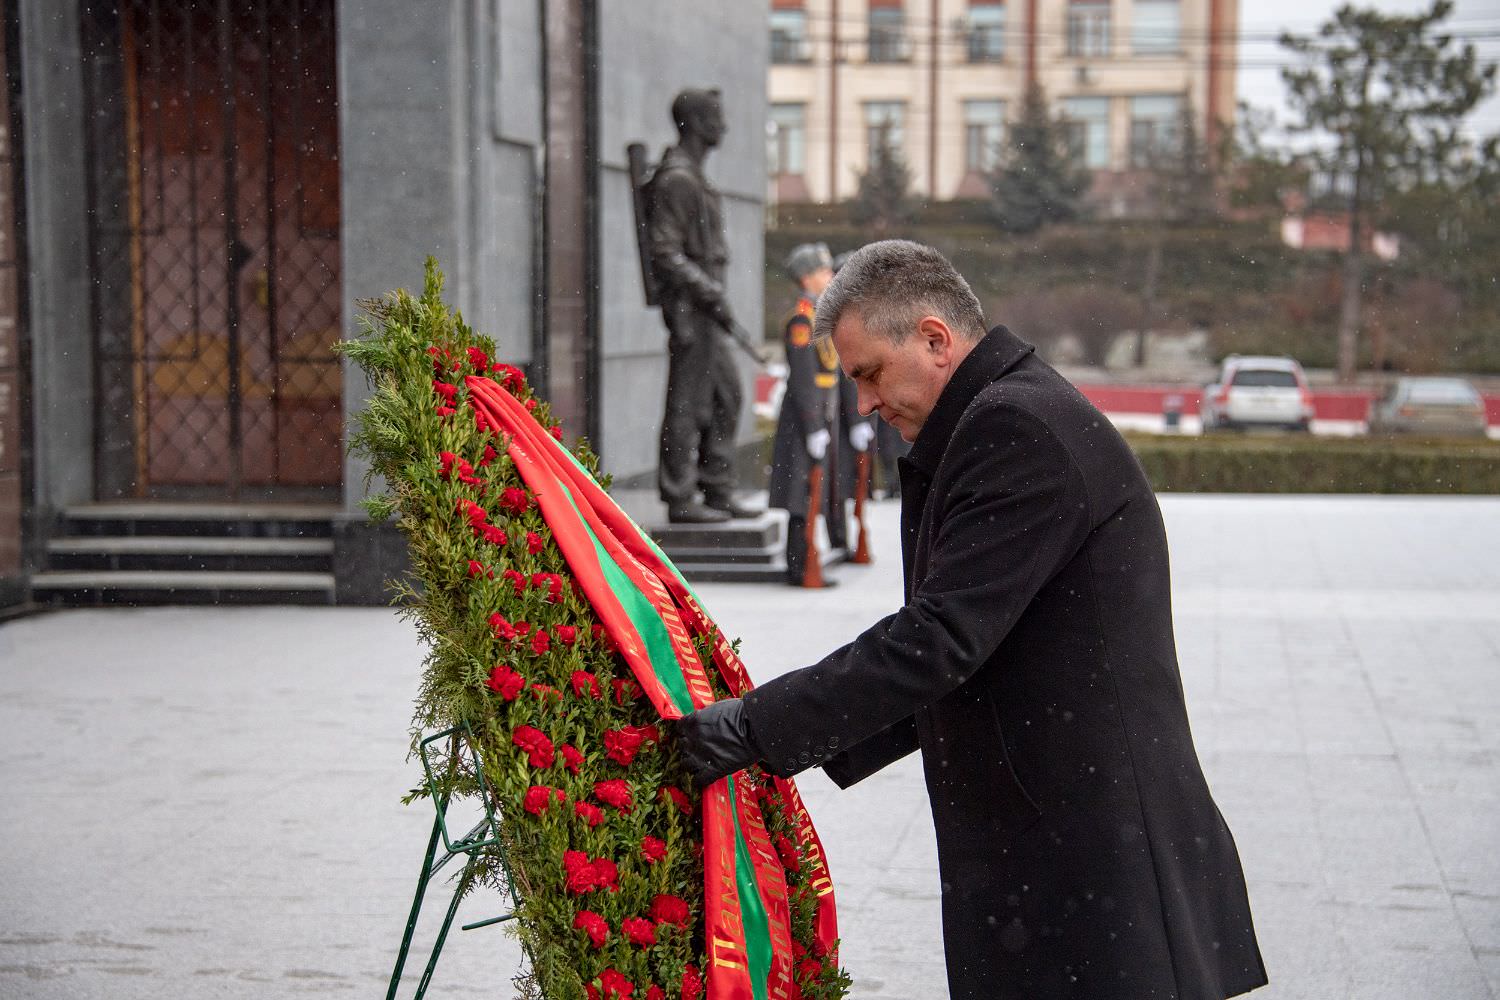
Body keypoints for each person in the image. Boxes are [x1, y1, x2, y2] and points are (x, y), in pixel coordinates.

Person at [675, 241, 1267, 999]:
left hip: (1097, 864)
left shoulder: (1017, 429)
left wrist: (752, 728)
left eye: (868, 375)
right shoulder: (994, 418)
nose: (862, 404)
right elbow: (964, 648)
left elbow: (938, 641)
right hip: (1063, 853)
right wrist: (771, 736)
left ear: (933, 338)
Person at [648, 87, 758, 524]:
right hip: (692, 310)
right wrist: (708, 292)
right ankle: (679, 495)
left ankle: (717, 487)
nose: (724, 125)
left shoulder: (692, 176)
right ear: (695, 122)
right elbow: (664, 250)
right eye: (716, 117)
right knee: (687, 402)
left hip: (707, 309)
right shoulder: (678, 179)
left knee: (726, 396)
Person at [768, 242, 873, 586]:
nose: (829, 277)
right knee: (803, 493)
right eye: (823, 272)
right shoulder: (801, 320)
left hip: (821, 415)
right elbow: (803, 379)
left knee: (816, 490)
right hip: (804, 419)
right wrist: (813, 426)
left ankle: (809, 560)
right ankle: (799, 567)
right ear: (806, 277)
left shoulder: (819, 316)